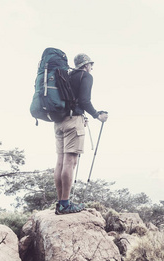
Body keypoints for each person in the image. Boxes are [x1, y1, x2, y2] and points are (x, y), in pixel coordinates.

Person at [54, 53, 108, 214]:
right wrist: (97, 115)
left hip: (59, 121)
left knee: (60, 162)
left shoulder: (67, 76)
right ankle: (65, 204)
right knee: (70, 162)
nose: (92, 68)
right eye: (91, 65)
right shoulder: (86, 76)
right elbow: (84, 100)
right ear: (85, 65)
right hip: (73, 122)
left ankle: (60, 202)